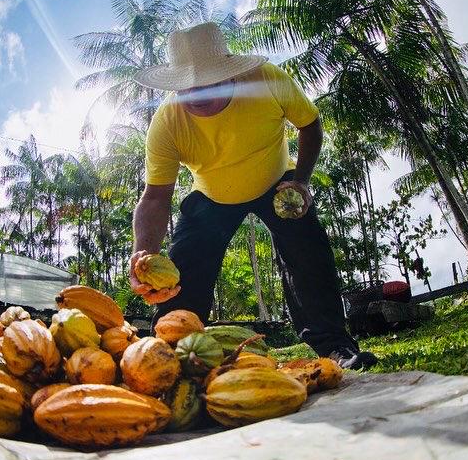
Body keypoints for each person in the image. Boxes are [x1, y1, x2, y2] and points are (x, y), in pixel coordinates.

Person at [128, 22, 377, 370]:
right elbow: (155, 197)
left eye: (209, 84)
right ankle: (168, 353)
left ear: (229, 73)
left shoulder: (267, 80)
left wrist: (302, 182)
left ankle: (334, 346)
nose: (197, 97)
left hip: (278, 183)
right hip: (211, 197)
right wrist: (145, 254)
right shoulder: (167, 122)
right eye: (188, 90)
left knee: (307, 252)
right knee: (184, 265)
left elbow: (310, 124)